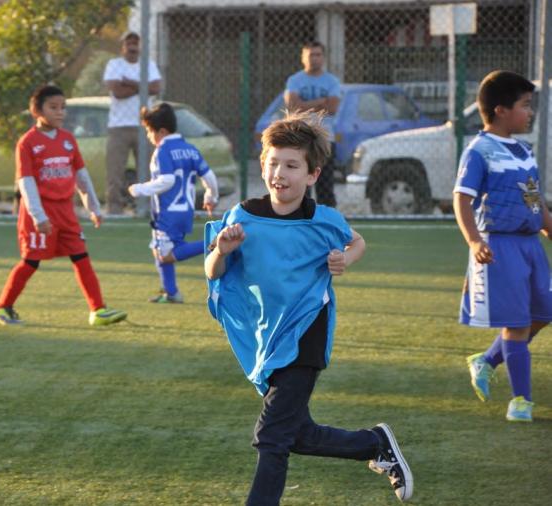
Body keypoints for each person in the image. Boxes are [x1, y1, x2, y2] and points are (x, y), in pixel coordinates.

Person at [204, 114, 411, 505]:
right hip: (268, 337)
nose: (279, 173)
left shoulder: (323, 220)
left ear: (313, 174)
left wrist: (344, 260)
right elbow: (213, 273)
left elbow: (357, 242)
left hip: (305, 334)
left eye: (291, 165)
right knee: (298, 433)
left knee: (271, 437)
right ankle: (374, 444)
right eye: (272, 163)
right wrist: (220, 250)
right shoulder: (242, 216)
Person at [0, 85, 127, 327]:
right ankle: (2, 307)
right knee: (31, 262)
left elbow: (81, 177)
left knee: (81, 256)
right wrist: (38, 215)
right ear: (36, 110)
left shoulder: (68, 140)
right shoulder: (27, 143)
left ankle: (98, 310)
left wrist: (93, 207)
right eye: (53, 107)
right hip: (40, 212)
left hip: (66, 212)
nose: (60, 112)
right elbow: (27, 182)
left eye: (63, 107)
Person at [457, 71, 552, 423]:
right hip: (501, 246)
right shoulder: (479, 150)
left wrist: (547, 226)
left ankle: (488, 359)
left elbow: (535, 199)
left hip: (530, 246)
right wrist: (474, 240)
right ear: (500, 110)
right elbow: (461, 199)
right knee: (516, 323)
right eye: (525, 106)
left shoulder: (524, 152)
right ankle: (521, 401)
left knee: (543, 313)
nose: (530, 113)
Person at [128, 102, 218, 303]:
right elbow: (210, 176)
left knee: (166, 254)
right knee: (157, 247)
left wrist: (141, 188)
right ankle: (171, 292)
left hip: (167, 212)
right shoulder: (190, 149)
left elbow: (167, 180)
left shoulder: (163, 151)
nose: (148, 136)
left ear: (161, 131)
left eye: (149, 132)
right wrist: (211, 197)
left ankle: (214, 244)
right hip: (185, 211)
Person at [102, 31, 161, 215]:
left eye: (136, 42)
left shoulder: (148, 65)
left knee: (148, 171)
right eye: (129, 42)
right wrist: (142, 86)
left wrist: (130, 82)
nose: (133, 45)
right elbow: (117, 92)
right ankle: (115, 209)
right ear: (123, 46)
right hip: (118, 127)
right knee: (115, 172)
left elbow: (156, 88)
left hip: (144, 126)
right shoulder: (115, 64)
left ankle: (145, 208)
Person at [283, 41, 340, 207]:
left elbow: (332, 108)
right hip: (300, 140)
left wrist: (305, 105)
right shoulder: (294, 80)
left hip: (325, 140)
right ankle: (302, 223)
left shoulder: (332, 81)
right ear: (303, 58)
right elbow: (293, 106)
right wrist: (321, 102)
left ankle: (328, 226)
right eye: (310, 55)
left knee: (325, 187)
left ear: (323, 58)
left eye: (318, 55)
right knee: (301, 187)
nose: (314, 59)